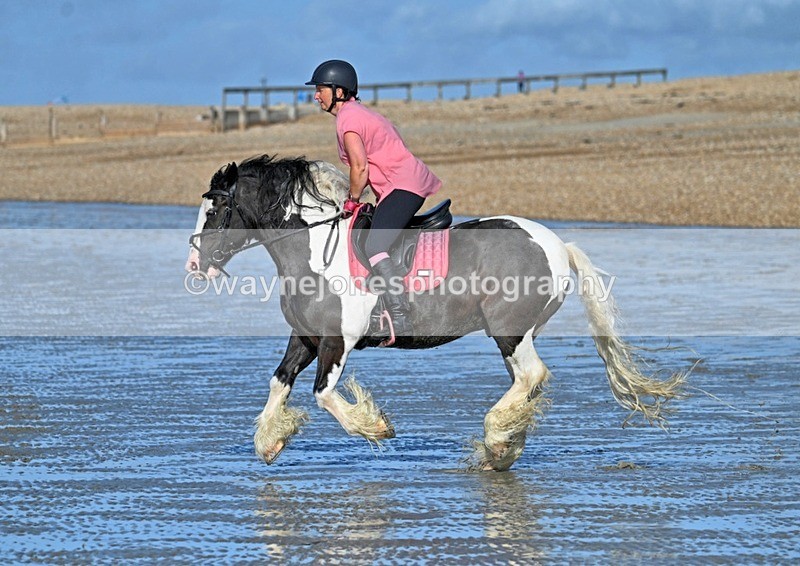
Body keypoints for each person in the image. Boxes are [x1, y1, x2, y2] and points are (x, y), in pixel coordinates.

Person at [306, 59, 442, 340]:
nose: (316, 96)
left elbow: (360, 168)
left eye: (321, 89)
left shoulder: (349, 119)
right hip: (400, 184)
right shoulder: (356, 114)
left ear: (339, 91)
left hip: (404, 185)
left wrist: (352, 201)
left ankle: (401, 317)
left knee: (375, 244)